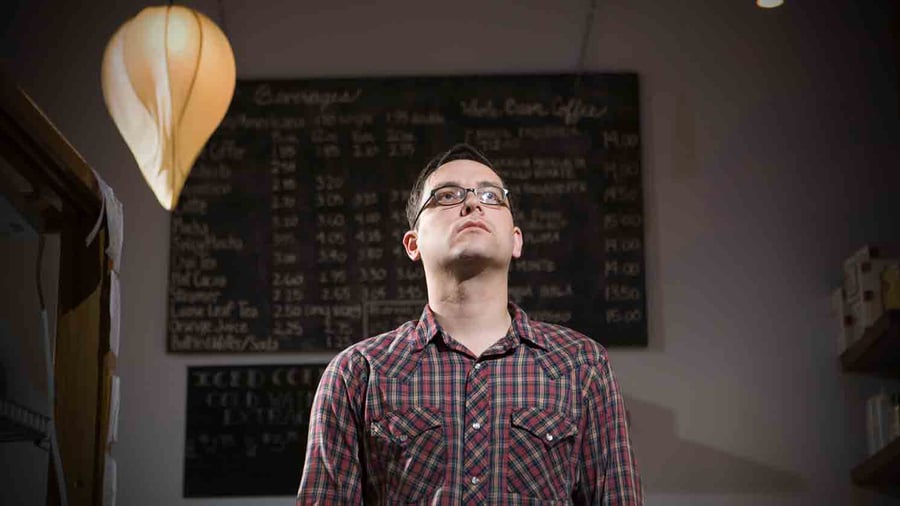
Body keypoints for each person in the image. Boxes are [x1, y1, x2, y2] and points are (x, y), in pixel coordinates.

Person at [297, 144, 642, 505]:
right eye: (447, 196)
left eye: (491, 196)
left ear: (516, 240)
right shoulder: (359, 373)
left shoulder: (581, 365)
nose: (473, 203)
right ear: (413, 243)